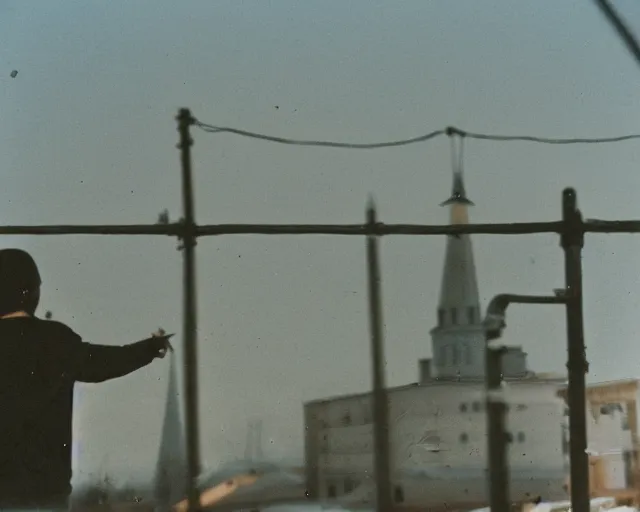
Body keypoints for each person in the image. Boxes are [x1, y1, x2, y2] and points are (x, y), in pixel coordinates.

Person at [0, 248, 174, 510]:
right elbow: (105, 362)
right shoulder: (56, 339)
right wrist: (149, 348)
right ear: (32, 292)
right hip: (48, 491)